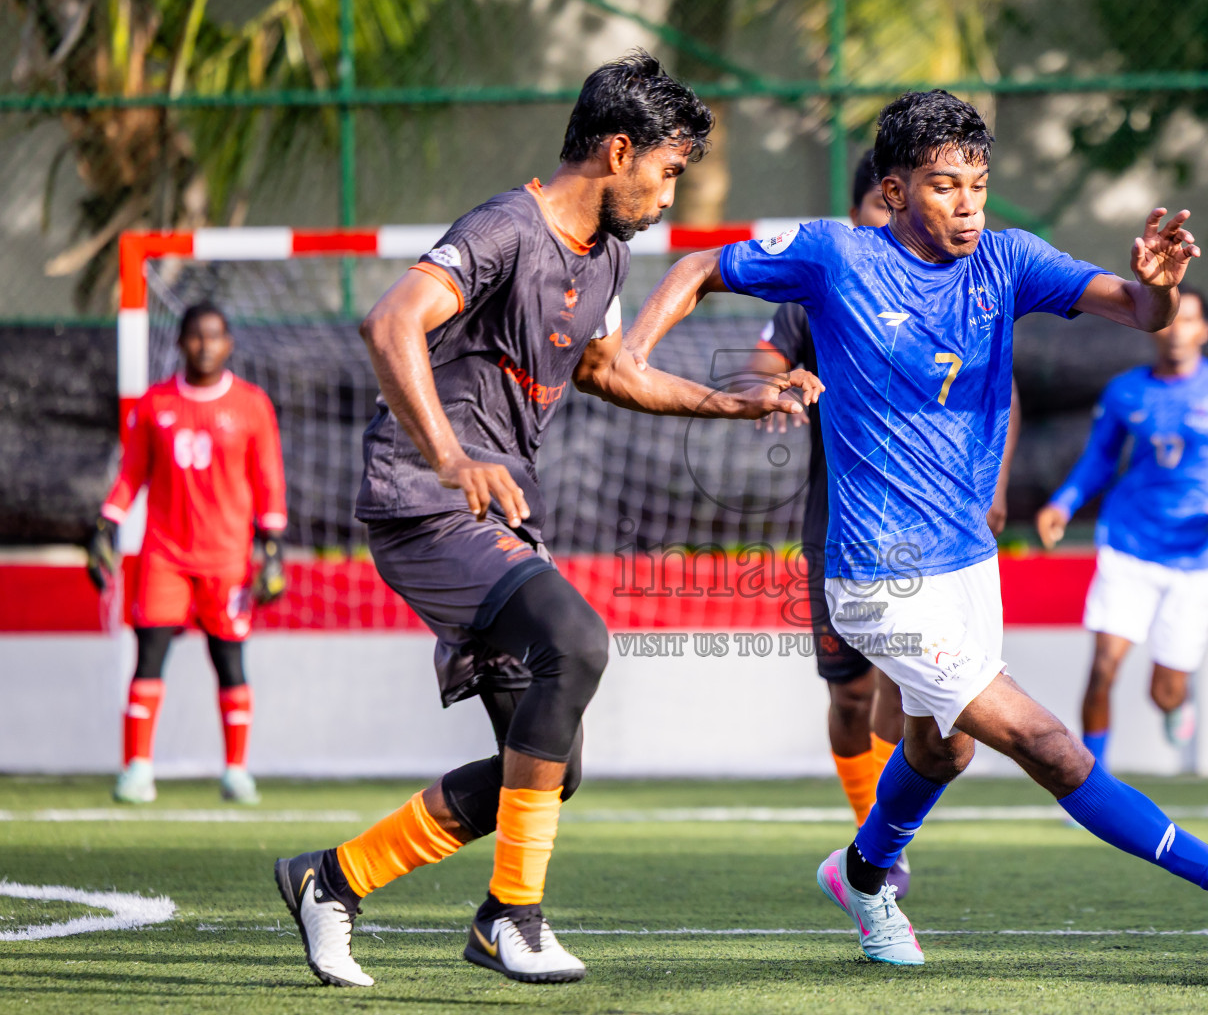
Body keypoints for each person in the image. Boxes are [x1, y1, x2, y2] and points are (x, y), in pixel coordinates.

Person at [624, 89, 1208, 968]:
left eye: (977, 182)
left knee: (941, 751)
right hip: (878, 576)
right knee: (1047, 744)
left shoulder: (1008, 261)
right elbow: (699, 268)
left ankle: (861, 875)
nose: (967, 202)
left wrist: (1160, 292)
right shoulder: (836, 256)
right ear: (894, 192)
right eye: (943, 185)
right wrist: (630, 356)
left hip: (969, 565)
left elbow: (1135, 308)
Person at [271, 51, 818, 989]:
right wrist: (450, 454)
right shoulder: (503, 230)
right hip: (422, 500)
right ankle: (508, 918)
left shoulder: (604, 255)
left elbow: (614, 373)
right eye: (666, 170)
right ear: (617, 149)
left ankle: (335, 879)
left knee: (548, 765)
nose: (668, 193)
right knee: (579, 640)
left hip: (490, 516)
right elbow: (391, 321)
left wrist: (735, 404)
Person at [749, 149, 1020, 898]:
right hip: (840, 522)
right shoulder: (825, 281)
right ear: (873, 203)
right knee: (847, 691)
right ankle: (872, 834)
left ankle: (879, 850)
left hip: (937, 529)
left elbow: (1001, 386)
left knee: (914, 699)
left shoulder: (961, 281)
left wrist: (991, 484)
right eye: (871, 206)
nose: (881, 220)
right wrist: (776, 388)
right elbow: (762, 360)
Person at [1037, 289, 1208, 765]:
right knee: (1103, 669)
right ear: (1155, 327)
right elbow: (1101, 458)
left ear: (1203, 331)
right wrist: (1064, 502)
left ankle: (1178, 701)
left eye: (1189, 320)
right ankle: (1090, 785)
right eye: (1171, 320)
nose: (1177, 330)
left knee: (1165, 692)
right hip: (1129, 543)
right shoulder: (1125, 391)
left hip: (1201, 554)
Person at [87, 302, 287, 806]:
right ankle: (138, 770)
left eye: (214, 336)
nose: (205, 345)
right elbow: (132, 473)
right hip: (164, 557)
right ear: (179, 343)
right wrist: (106, 525)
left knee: (230, 662)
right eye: (196, 336)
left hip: (228, 559)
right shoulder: (154, 404)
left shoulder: (251, 404)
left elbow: (269, 481)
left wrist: (273, 547)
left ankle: (236, 772)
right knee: (149, 657)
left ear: (229, 344)